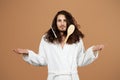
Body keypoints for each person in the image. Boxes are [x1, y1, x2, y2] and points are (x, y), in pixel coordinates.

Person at [13, 10, 104, 80]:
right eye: (59, 21)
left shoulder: (77, 39)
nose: (62, 23)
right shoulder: (46, 39)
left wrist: (93, 50)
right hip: (54, 78)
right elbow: (42, 60)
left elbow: (80, 60)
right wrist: (27, 53)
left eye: (65, 20)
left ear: (69, 22)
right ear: (55, 23)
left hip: (72, 78)